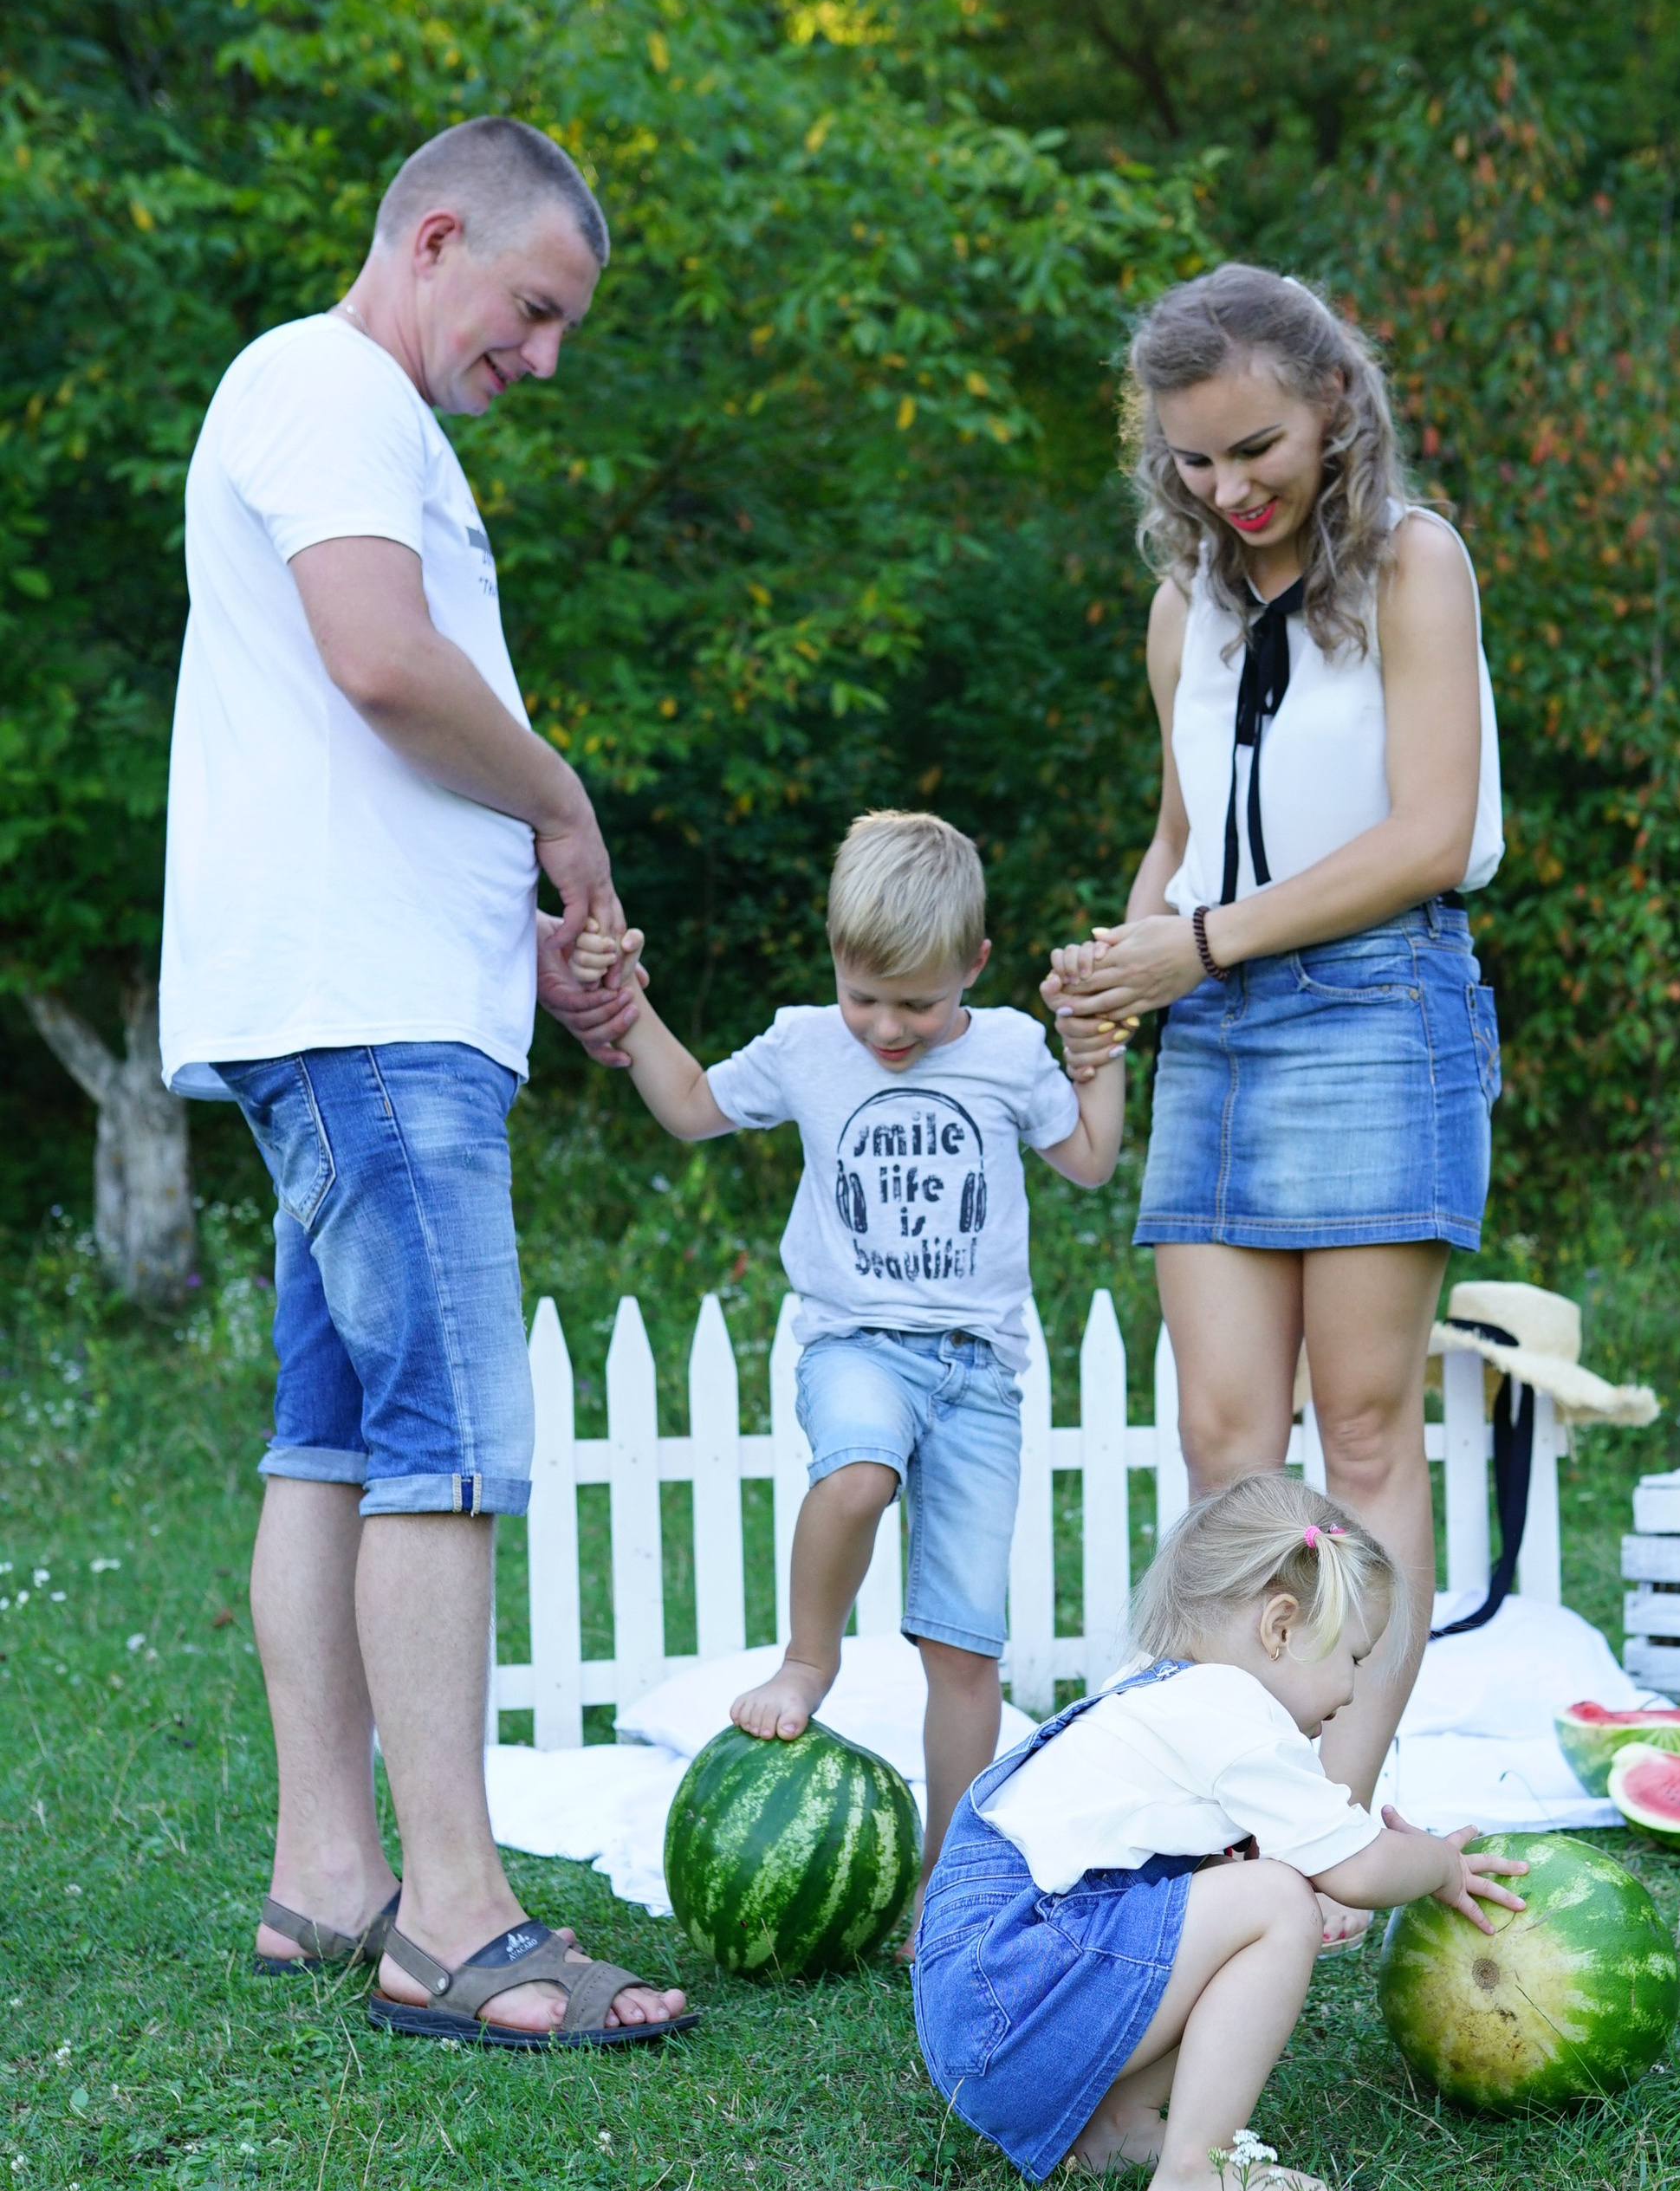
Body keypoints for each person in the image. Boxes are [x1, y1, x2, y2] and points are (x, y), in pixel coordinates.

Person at [158, 113, 691, 2046]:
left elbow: (364, 723)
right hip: (367, 1020)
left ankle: (328, 1878)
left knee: (337, 1434)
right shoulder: (330, 382)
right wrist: (558, 801)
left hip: (369, 995)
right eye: (533, 310)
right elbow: (378, 663)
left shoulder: (359, 418)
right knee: (449, 1440)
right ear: (439, 236)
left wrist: (519, 918)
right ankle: (455, 1918)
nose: (541, 357)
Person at [1044, 265, 1503, 1818]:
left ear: (1331, 410)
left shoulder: (1415, 566)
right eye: (1192, 459)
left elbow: (1430, 835)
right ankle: (1245, 1785)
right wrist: (1118, 980)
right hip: (1218, 1032)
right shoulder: (1189, 610)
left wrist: (1202, 944)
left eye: (1254, 448)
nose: (1227, 487)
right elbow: (1181, 841)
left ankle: (1333, 1822)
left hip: (1379, 1006)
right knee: (1228, 1444)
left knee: (1365, 1434)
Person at [568, 810, 1125, 1907]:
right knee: (859, 1470)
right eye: (862, 994)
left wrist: (1092, 1055)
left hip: (978, 1373)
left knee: (964, 1651)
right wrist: (626, 1006)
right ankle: (807, 1660)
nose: (885, 1026)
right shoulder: (806, 1044)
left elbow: (1092, 1162)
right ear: (833, 955)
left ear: (974, 963)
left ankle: (945, 1886)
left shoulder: (1010, 1048)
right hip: (855, 1342)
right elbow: (689, 1107)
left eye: (917, 1001)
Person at [910, 1475, 1529, 2191]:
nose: (1354, 1691)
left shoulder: (1152, 1690)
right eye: (1353, 1660)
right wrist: (1436, 1863)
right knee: (1275, 1902)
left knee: (1244, 1886)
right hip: (1009, 2003)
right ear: (1280, 1628)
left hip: (989, 2012)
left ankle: (1111, 2126)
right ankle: (1194, 2173)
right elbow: (1360, 1872)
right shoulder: (1234, 1715)